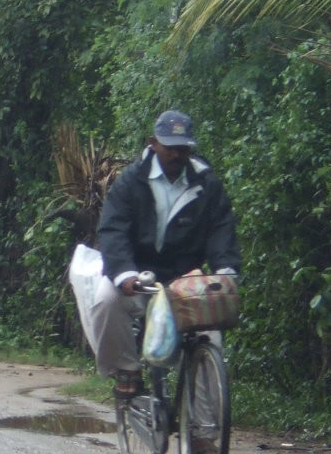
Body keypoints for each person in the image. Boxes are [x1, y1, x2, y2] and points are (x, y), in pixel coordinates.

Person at [89, 109, 240, 400]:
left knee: (210, 339)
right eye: (169, 147)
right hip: (139, 278)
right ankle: (126, 370)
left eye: (182, 148)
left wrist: (225, 271)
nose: (176, 154)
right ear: (153, 143)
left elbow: (221, 229)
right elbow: (113, 230)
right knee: (107, 301)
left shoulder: (206, 183)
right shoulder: (130, 181)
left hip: (186, 284)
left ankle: (206, 420)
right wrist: (124, 274)